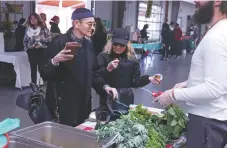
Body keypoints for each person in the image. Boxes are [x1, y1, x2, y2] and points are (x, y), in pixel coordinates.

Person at [154, 1, 227, 147]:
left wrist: (172, 95)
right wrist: (189, 83)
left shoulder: (216, 37)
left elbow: (214, 89)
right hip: (215, 121)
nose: (196, 1)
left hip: (206, 123)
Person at [40, 8, 118, 127]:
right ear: (76, 23)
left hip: (84, 102)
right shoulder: (59, 42)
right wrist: (55, 61)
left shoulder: (88, 45)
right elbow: (45, 73)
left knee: (80, 134)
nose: (92, 28)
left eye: (94, 24)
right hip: (62, 104)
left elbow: (94, 73)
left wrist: (104, 86)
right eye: (89, 24)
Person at [96, 28, 160, 108]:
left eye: (122, 45)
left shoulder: (132, 60)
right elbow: (97, 78)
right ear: (111, 43)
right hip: (107, 96)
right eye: (115, 44)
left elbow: (135, 82)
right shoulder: (103, 57)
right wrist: (108, 69)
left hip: (126, 98)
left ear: (127, 45)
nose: (118, 47)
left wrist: (149, 78)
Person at [23, 13, 52, 84]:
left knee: (42, 69)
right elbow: (25, 41)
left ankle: (44, 86)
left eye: (34, 18)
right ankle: (34, 88)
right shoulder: (27, 30)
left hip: (41, 51)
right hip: (31, 52)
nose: (33, 20)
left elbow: (49, 39)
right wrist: (28, 49)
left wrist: (40, 41)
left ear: (38, 19)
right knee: (33, 70)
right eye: (31, 19)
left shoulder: (44, 29)